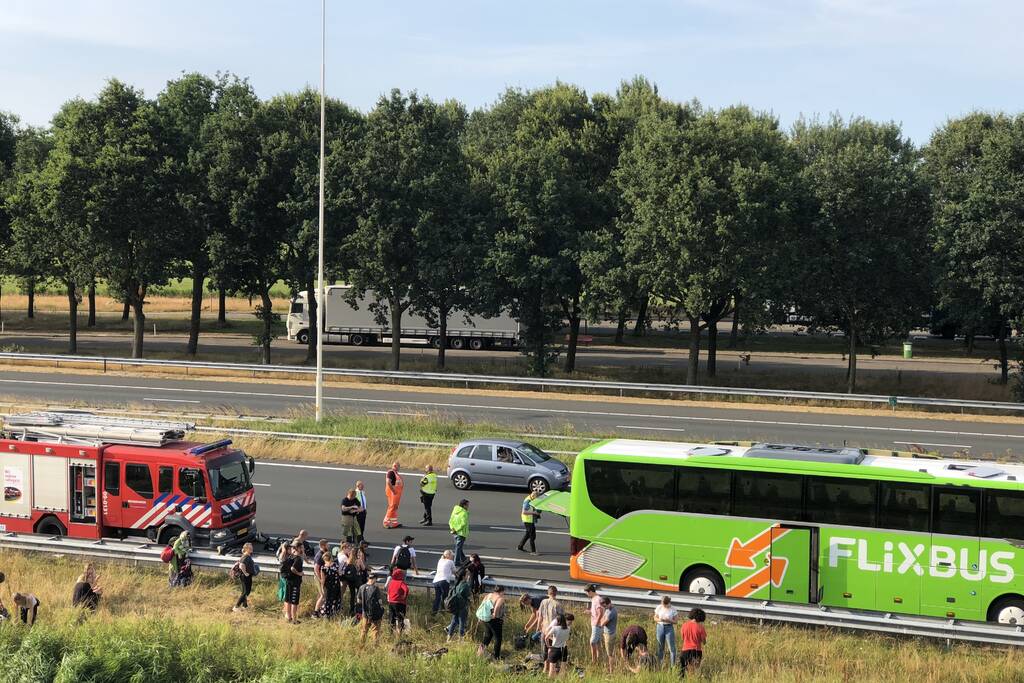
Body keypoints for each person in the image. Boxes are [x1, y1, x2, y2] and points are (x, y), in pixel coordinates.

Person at [476, 584, 506, 660]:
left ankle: (480, 652)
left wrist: (480, 617)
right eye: (503, 592)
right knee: (498, 638)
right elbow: (497, 607)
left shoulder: (489, 595)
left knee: (488, 636)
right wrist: (494, 615)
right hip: (495, 619)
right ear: (501, 591)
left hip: (485, 618)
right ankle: (496, 657)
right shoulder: (500, 598)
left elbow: (482, 605)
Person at [357, 574, 385, 645]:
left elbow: (358, 601)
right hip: (375, 614)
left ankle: (361, 645)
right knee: (375, 631)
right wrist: (382, 608)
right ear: (375, 579)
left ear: (368, 578)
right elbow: (380, 601)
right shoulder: (375, 588)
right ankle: (375, 646)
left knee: (364, 630)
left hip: (365, 614)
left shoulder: (361, 587)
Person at [679, 608, 708, 677]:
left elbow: (683, 638)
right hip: (696, 651)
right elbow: (704, 642)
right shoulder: (701, 627)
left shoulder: (684, 625)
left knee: (683, 670)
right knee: (694, 671)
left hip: (685, 650)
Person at [445, 570, 473, 641]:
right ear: (464, 576)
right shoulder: (465, 585)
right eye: (467, 575)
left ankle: (448, 638)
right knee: (462, 623)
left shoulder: (457, 583)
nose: (468, 576)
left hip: (455, 606)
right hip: (463, 606)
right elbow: (469, 596)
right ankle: (460, 640)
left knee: (454, 621)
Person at [342, 543, 367, 616]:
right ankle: (359, 609)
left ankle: (351, 610)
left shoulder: (348, 561)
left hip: (350, 581)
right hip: (357, 580)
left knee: (352, 595)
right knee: (359, 594)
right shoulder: (358, 560)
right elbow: (363, 568)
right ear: (357, 553)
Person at [317, 551, 343, 618]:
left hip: (328, 586)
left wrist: (322, 587)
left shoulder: (323, 568)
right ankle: (335, 613)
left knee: (328, 599)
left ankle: (326, 613)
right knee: (336, 599)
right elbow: (339, 573)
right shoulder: (335, 565)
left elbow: (323, 579)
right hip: (336, 584)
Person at [654, 595, 679, 666]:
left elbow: (676, 621)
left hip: (669, 627)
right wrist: (660, 620)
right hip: (660, 626)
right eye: (663, 604)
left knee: (672, 648)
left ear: (668, 603)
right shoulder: (659, 607)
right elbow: (655, 618)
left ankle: (672, 666)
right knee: (660, 647)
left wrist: (669, 620)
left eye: (665, 604)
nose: (664, 605)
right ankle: (660, 664)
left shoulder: (673, 609)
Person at [283, 542, 304, 623]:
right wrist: (299, 573)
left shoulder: (290, 556)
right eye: (302, 548)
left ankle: (288, 617)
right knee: (294, 601)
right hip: (295, 582)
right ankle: (294, 620)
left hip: (288, 581)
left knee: (288, 599)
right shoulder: (298, 558)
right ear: (298, 548)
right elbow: (292, 568)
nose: (303, 549)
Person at [232, 543, 256, 612]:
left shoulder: (247, 555)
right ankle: (236, 607)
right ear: (246, 549)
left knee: (245, 591)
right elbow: (241, 565)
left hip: (246, 576)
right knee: (245, 592)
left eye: (251, 547)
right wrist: (245, 573)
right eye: (250, 548)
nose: (251, 549)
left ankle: (245, 606)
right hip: (245, 576)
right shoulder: (246, 556)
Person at [432, 549, 456, 615]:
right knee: (445, 597)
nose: (452, 556)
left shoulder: (440, 560)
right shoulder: (450, 561)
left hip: (436, 581)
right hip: (444, 581)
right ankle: (443, 612)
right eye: (452, 555)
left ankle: (434, 612)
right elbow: (455, 572)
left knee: (437, 597)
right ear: (448, 555)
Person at [387, 567, 410, 635]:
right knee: (400, 618)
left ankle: (391, 633)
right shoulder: (401, 582)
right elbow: (406, 589)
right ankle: (399, 633)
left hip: (391, 602)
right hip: (400, 603)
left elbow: (388, 591)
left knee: (391, 618)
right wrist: (404, 597)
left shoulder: (391, 582)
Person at [584, 584, 603, 664]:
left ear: (590, 591)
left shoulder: (597, 599)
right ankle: (599, 660)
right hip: (596, 623)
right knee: (597, 642)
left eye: (587, 593)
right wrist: (590, 611)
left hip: (597, 624)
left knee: (592, 642)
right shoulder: (594, 599)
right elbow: (596, 611)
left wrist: (596, 622)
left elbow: (600, 612)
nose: (587, 594)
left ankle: (594, 661)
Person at [598, 596, 618, 671]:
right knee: (609, 652)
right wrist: (602, 620)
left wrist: (602, 621)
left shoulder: (611, 612)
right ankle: (610, 668)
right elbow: (603, 619)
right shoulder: (608, 609)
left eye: (605, 606)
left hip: (609, 635)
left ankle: (611, 670)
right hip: (607, 633)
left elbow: (602, 623)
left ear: (609, 603)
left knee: (610, 654)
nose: (604, 607)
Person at [449, 499, 470, 566]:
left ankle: (463, 558)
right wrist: (457, 530)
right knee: (458, 547)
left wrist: (453, 528)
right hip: (461, 533)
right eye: (467, 505)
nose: (468, 506)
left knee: (458, 546)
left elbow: (450, 520)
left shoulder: (455, 510)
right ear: (464, 505)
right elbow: (463, 524)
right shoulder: (464, 513)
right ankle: (456, 562)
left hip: (454, 532)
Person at [383, 462, 404, 529]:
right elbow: (388, 482)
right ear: (394, 466)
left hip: (396, 494)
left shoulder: (396, 474)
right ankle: (386, 522)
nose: (398, 467)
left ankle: (394, 523)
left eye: (398, 466)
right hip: (393, 493)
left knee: (395, 507)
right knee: (392, 507)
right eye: (397, 466)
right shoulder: (391, 472)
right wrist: (393, 491)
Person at [313, 539, 330, 614]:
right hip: (319, 578)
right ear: (323, 546)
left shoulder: (324, 553)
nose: (328, 546)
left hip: (322, 577)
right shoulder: (320, 555)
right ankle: (315, 612)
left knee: (321, 594)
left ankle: (320, 610)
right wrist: (320, 579)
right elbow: (316, 568)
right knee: (323, 595)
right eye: (327, 545)